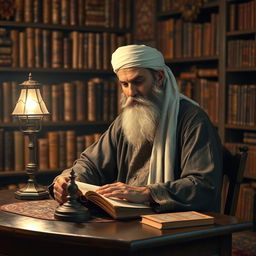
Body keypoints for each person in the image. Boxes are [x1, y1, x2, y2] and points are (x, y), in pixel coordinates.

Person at [52, 44, 222, 213]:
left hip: (176, 222)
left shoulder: (193, 119)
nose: (131, 92)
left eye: (138, 82)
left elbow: (203, 185)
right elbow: (91, 163)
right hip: (129, 217)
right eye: (124, 84)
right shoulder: (125, 120)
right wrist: (68, 179)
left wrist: (147, 193)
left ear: (159, 77)